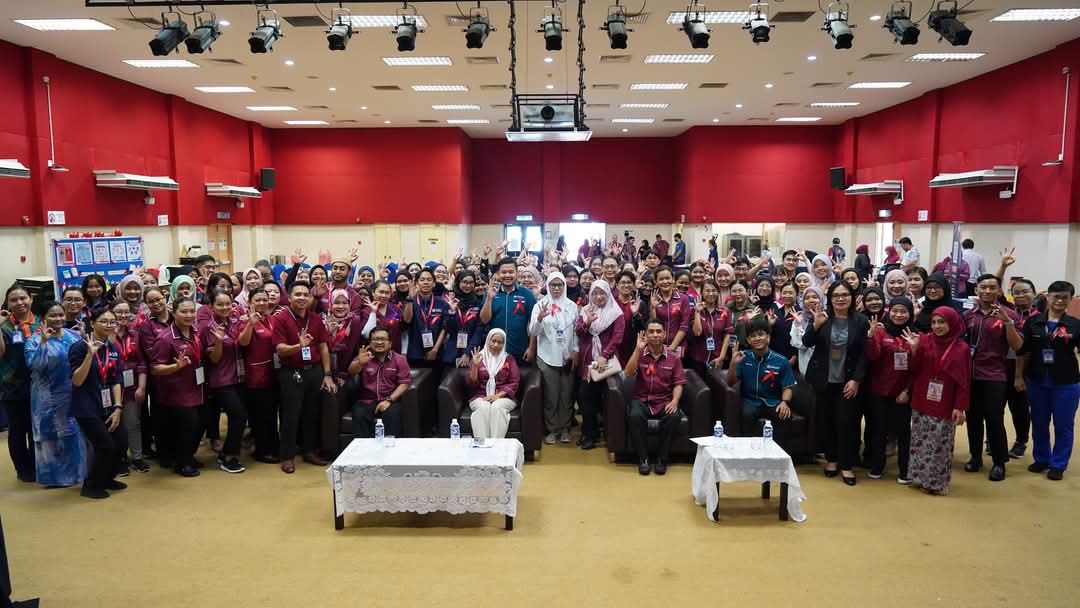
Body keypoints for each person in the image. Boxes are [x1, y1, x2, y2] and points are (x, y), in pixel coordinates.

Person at [802, 281, 869, 486]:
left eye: (845, 295)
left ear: (852, 297)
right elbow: (807, 342)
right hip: (824, 380)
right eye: (836, 295)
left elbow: (865, 354)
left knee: (847, 422)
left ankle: (846, 465)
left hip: (848, 381)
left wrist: (856, 379)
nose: (840, 299)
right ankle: (832, 459)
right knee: (826, 420)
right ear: (830, 299)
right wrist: (815, 326)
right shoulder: (823, 317)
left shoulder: (861, 321)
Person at [902, 306, 971, 496]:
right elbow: (914, 369)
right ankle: (918, 477)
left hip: (945, 402)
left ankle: (936, 483)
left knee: (939, 444)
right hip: (922, 399)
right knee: (919, 441)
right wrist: (914, 350)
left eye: (942, 322)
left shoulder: (961, 348)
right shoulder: (924, 340)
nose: (937, 326)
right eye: (934, 322)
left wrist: (960, 407)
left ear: (952, 323)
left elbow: (964, 381)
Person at [963, 274, 1023, 482]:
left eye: (992, 287)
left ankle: (999, 462)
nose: (987, 291)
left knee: (994, 419)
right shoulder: (968, 315)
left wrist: (1007, 323)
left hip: (995, 375)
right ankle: (975, 457)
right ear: (976, 290)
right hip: (971, 374)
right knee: (973, 419)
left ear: (999, 291)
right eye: (983, 287)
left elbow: (1017, 346)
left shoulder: (1010, 314)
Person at [272, 281, 335, 473]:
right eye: (297, 294)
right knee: (290, 416)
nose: (302, 298)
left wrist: (327, 374)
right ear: (289, 297)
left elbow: (323, 347)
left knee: (311, 413)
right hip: (291, 372)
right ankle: (287, 456)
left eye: (305, 294)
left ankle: (309, 451)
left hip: (314, 371)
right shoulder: (281, 319)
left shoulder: (315, 319)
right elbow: (280, 349)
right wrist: (298, 346)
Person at [1019, 281, 1079, 480]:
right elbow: (1023, 350)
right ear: (1048, 297)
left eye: (1065, 297)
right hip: (1037, 381)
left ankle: (1058, 464)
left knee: (1063, 426)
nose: (1060, 301)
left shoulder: (1075, 325)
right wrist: (1019, 376)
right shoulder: (1033, 322)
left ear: (1070, 299)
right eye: (1056, 296)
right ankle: (1042, 458)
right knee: (1039, 423)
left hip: (1066, 383)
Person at [23, 301, 87, 487]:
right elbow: (34, 366)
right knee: (50, 436)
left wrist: (84, 338)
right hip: (46, 398)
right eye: (53, 315)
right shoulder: (34, 340)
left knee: (73, 433)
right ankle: (54, 478)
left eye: (61, 314)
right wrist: (43, 343)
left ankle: (77, 473)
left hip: (72, 394)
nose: (58, 318)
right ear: (43, 318)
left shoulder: (73, 335)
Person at [68, 308, 128, 499]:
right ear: (92, 324)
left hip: (108, 405)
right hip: (86, 405)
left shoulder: (113, 348)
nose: (109, 325)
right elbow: (77, 381)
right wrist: (89, 355)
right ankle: (91, 485)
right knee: (105, 446)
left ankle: (107, 479)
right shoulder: (79, 347)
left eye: (112, 322)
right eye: (104, 321)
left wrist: (118, 407)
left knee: (121, 443)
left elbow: (116, 379)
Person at [149, 297, 206, 477]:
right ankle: (182, 463)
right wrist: (176, 366)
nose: (189, 315)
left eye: (192, 311)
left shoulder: (196, 331)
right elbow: (155, 368)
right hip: (176, 391)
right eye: (184, 311)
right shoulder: (165, 338)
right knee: (188, 426)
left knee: (199, 424)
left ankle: (187, 456)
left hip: (196, 387)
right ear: (173, 313)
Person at [624, 319, 687, 476]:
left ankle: (662, 459)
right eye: (651, 331)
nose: (655, 335)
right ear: (646, 335)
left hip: (664, 400)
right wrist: (637, 350)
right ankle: (643, 459)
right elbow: (628, 373)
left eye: (659, 331)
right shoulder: (640, 354)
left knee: (674, 416)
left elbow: (679, 384)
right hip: (642, 400)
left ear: (664, 334)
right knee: (634, 415)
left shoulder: (673, 358)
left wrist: (675, 401)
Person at [865, 298, 915, 482]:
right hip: (880, 390)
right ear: (889, 311)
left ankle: (905, 470)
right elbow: (873, 355)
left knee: (903, 432)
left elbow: (917, 368)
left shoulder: (915, 334)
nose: (899, 315)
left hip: (903, 392)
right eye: (895, 311)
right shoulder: (880, 331)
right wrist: (871, 336)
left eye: (904, 311)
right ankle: (877, 466)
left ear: (910, 314)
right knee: (879, 430)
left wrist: (908, 391)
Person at [728, 318, 797, 447]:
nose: (757, 338)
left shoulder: (781, 361)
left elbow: (788, 387)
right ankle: (748, 452)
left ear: (768, 337)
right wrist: (732, 364)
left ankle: (779, 454)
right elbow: (731, 382)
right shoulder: (743, 357)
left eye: (760, 334)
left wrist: (785, 402)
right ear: (748, 340)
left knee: (784, 415)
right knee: (747, 414)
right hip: (750, 401)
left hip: (773, 401)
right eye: (753, 336)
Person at [201, 290, 248, 474]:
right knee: (238, 415)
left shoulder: (235, 322)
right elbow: (214, 359)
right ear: (211, 306)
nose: (225, 307)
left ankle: (228, 453)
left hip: (239, 377)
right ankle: (228, 456)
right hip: (221, 380)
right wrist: (219, 341)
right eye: (220, 304)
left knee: (240, 416)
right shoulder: (209, 328)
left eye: (228, 304)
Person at [528, 272, 579, 445]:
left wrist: (575, 351)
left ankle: (565, 429)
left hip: (567, 358)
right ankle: (552, 429)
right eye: (553, 285)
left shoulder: (571, 306)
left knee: (566, 396)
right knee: (551, 396)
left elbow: (576, 332)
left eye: (560, 285)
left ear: (564, 286)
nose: (556, 288)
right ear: (548, 286)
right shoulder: (540, 305)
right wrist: (539, 319)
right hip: (547, 357)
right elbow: (533, 331)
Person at [575, 280, 626, 450]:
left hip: (607, 362)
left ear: (608, 294)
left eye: (602, 293)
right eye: (595, 293)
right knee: (585, 398)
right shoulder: (585, 310)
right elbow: (579, 332)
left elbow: (617, 337)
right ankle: (589, 433)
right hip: (587, 361)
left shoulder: (616, 312)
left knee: (607, 399)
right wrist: (587, 322)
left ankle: (606, 433)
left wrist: (604, 355)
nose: (598, 297)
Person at [1, 284, 40, 483]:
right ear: (8, 303)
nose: (19, 303)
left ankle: (37, 463)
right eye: (14, 300)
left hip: (39, 385)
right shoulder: (4, 325)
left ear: (31, 299)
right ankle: (23, 468)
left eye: (23, 298)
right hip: (12, 386)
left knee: (36, 428)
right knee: (18, 429)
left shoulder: (40, 322)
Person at [237, 288, 280, 463]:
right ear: (250, 302)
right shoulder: (245, 320)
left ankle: (273, 446)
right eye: (258, 300)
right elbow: (243, 342)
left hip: (273, 372)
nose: (262, 303)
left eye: (264, 299)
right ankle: (262, 451)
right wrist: (250, 324)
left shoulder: (272, 319)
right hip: (255, 375)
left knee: (270, 413)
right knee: (260, 415)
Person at [347, 328, 412, 438]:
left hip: (390, 400)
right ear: (369, 343)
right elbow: (351, 371)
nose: (379, 342)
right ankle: (362, 447)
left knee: (393, 414)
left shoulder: (399, 360)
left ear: (390, 343)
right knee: (359, 413)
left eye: (383, 339)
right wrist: (360, 363)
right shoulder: (364, 357)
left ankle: (390, 447)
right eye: (375, 339)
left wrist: (389, 400)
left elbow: (404, 383)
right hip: (367, 400)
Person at [110, 300, 149, 474]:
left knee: (133, 423)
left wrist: (141, 387)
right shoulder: (104, 335)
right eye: (119, 312)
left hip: (132, 387)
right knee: (113, 425)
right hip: (111, 389)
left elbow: (142, 363)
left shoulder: (135, 335)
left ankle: (137, 457)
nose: (124, 315)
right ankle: (119, 458)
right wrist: (111, 336)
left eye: (126, 312)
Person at [1005, 278, 1041, 458]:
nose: (1020, 295)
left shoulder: (1040, 318)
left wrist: (1020, 375)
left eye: (1025, 291)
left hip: (1027, 369)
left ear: (1034, 293)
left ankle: (1021, 441)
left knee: (1019, 407)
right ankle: (993, 439)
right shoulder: (1007, 313)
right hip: (1003, 366)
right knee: (995, 406)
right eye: (1016, 293)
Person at [479, 258, 537, 365]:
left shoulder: (527, 294)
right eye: (504, 272)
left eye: (511, 272)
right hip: (495, 349)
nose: (507, 275)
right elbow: (484, 320)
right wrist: (489, 299)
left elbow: (534, 324)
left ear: (517, 273)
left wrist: (532, 348)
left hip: (520, 350)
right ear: (498, 273)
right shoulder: (491, 292)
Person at [467, 328, 520, 440]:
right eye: (493, 341)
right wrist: (475, 366)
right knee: (483, 407)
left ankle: (496, 445)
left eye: (500, 342)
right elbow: (472, 384)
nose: (496, 345)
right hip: (481, 396)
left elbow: (514, 382)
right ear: (488, 341)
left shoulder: (509, 359)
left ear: (503, 344)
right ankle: (482, 445)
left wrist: (497, 396)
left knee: (497, 406)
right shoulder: (478, 358)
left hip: (504, 397)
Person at [686, 280, 732, 377]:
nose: (711, 294)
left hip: (717, 357)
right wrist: (697, 312)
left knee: (718, 385)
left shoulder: (725, 311)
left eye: (714, 290)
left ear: (718, 292)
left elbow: (727, 335)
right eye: (707, 291)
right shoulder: (695, 311)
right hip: (698, 358)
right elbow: (697, 332)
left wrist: (722, 357)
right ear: (702, 293)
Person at [650, 266, 691, 355]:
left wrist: (672, 348)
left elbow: (684, 326)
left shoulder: (683, 299)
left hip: (678, 346)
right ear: (656, 282)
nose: (665, 281)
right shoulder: (654, 298)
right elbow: (653, 325)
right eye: (661, 279)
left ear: (673, 280)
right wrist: (653, 307)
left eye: (667, 278)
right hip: (659, 346)